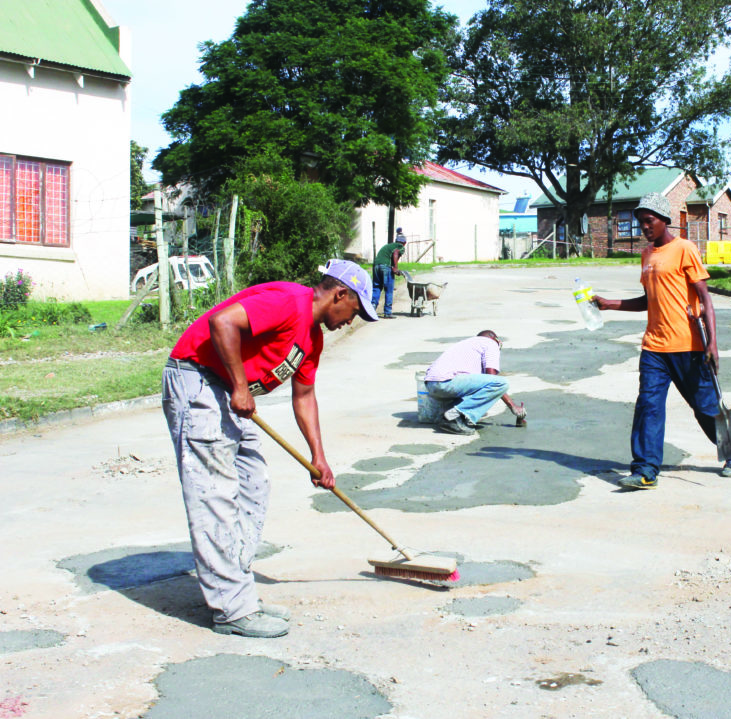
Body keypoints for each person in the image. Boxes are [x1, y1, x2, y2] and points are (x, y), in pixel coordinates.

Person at [161, 259, 378, 637]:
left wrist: (318, 456)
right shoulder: (288, 302)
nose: (350, 321)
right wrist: (241, 387)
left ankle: (235, 590)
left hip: (226, 390)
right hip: (198, 379)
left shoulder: (313, 338)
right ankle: (232, 610)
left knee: (253, 482)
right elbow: (222, 322)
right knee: (215, 493)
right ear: (339, 295)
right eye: (354, 312)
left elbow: (305, 394)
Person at [593, 193, 731, 490]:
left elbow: (705, 298)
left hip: (689, 346)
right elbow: (650, 300)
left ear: (665, 220)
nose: (644, 228)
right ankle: (646, 469)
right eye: (641, 223)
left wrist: (712, 343)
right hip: (654, 348)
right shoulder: (647, 255)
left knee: (705, 406)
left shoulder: (684, 249)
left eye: (649, 221)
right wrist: (610, 304)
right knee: (648, 406)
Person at [424, 330, 525, 435]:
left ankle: (447, 414)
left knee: (478, 401)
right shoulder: (490, 343)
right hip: (447, 382)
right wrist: (512, 405)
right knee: (502, 383)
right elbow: (492, 378)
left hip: (431, 385)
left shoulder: (467, 344)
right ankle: (452, 417)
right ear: (495, 339)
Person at [371, 229, 406, 319]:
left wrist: (394, 268)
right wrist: (395, 268)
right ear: (404, 243)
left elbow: (393, 256)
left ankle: (371, 309)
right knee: (389, 289)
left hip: (376, 266)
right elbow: (396, 253)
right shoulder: (400, 246)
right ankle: (387, 312)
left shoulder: (389, 246)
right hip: (385, 267)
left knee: (377, 287)